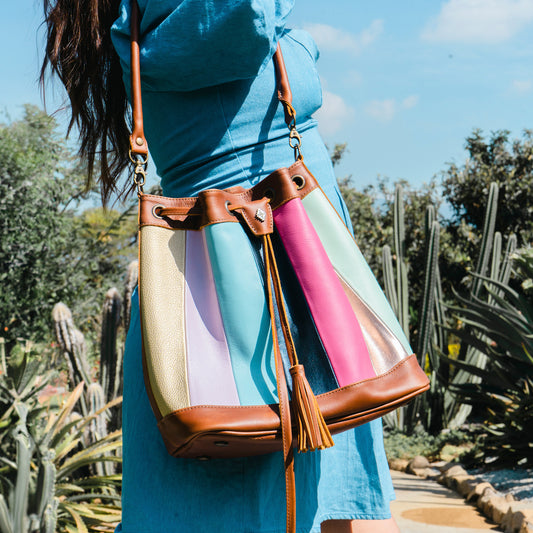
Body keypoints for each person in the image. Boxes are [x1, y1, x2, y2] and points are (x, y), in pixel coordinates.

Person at [42, 1, 401, 531]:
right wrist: (297, 40)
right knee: (290, 487)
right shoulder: (197, 12)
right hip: (271, 259)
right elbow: (262, 26)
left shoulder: (149, 22)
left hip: (255, 265)